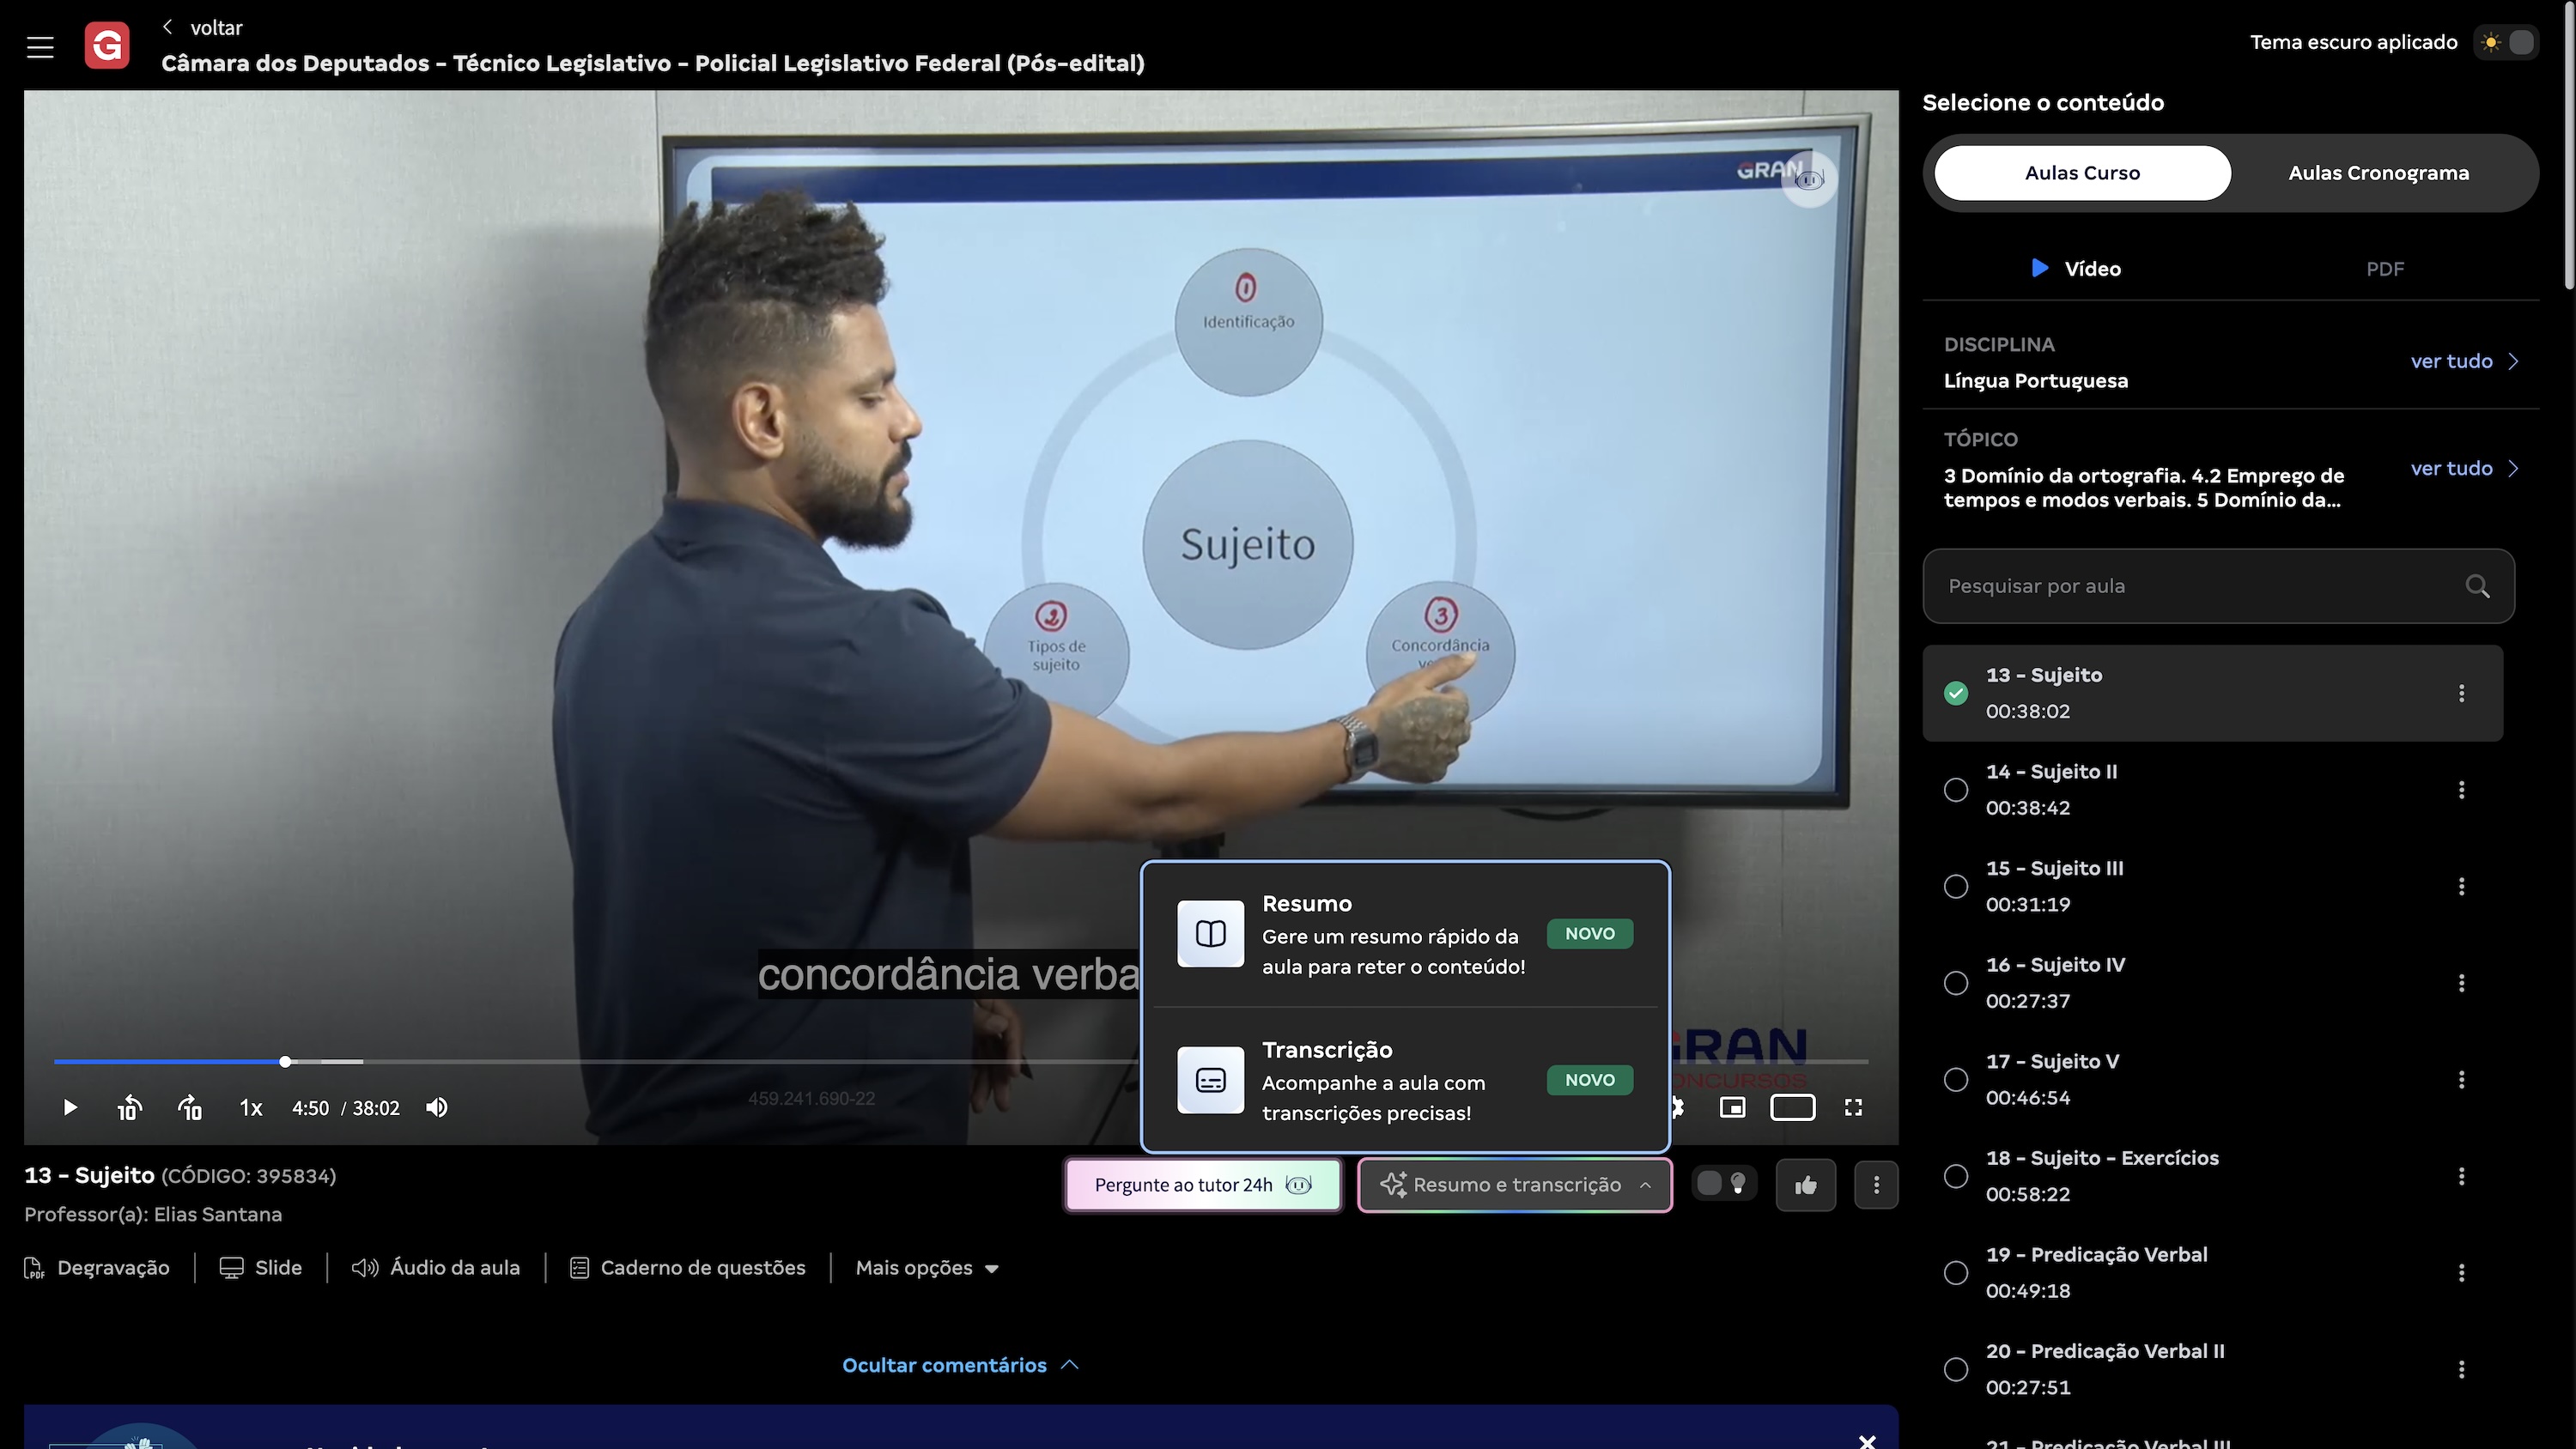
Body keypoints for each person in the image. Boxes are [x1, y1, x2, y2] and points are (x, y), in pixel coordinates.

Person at [551, 191, 1475, 1144]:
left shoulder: (604, 624)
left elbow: (732, 894)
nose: (908, 419)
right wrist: (1367, 737)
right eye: (870, 395)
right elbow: (1162, 794)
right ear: (763, 418)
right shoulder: (851, 651)